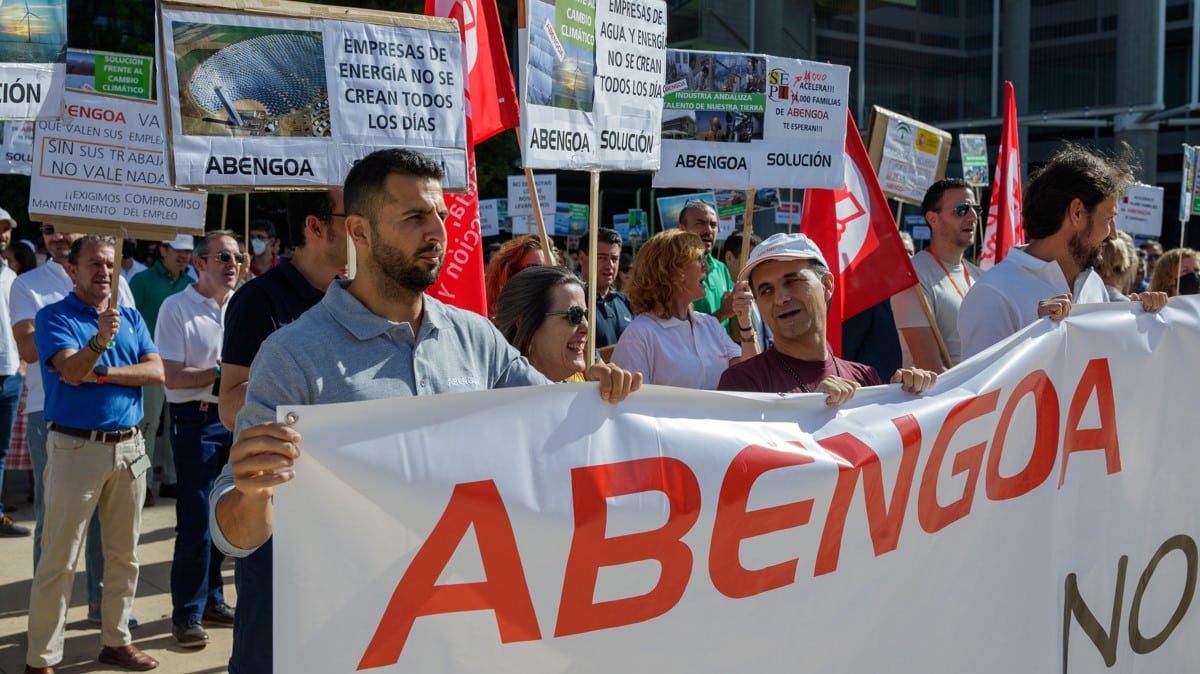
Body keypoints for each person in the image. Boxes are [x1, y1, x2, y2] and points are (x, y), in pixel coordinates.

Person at [209, 149, 638, 674]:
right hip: (346, 642)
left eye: (440, 215)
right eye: (415, 217)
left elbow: (550, 421)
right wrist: (254, 493)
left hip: (453, 633)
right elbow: (236, 530)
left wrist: (596, 394)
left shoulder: (475, 338)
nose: (438, 232)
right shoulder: (293, 354)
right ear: (360, 233)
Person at [25, 235, 163, 673]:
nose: (104, 272)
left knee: (125, 555)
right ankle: (42, 658)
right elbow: (69, 370)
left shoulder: (133, 318)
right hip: (74, 449)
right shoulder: (54, 316)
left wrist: (102, 373)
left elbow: (156, 372)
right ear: (72, 269)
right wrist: (99, 342)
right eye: (94, 264)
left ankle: (116, 640)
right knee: (59, 559)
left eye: (109, 264)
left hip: (128, 447)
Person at [10, 224, 136, 625]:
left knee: (112, 533)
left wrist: (98, 368)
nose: (57, 235)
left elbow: (142, 351)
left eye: (65, 227)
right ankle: (50, 619)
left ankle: (105, 610)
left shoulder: (115, 283)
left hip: (116, 423)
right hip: (52, 413)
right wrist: (83, 338)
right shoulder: (27, 284)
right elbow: (30, 347)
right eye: (49, 229)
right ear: (72, 270)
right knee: (55, 526)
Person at [958, 143, 1168, 358]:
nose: (1113, 234)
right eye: (1109, 219)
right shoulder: (993, 294)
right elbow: (983, 389)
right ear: (1077, 212)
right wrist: (1037, 338)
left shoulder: (1093, 284)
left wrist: (1141, 323)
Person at [718, 233, 936, 402]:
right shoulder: (742, 384)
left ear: (826, 286)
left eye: (792, 281)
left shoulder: (866, 378)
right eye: (766, 291)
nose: (780, 298)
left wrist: (907, 397)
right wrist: (812, 410)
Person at [155, 231, 241, 649]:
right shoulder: (176, 308)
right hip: (196, 421)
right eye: (224, 256)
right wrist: (224, 373)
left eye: (238, 258)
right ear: (200, 263)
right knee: (196, 522)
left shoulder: (244, 304)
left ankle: (212, 600)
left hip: (236, 421)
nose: (234, 264)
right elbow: (172, 377)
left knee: (229, 516)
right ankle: (186, 614)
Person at [218, 190, 347, 431]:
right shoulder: (257, 299)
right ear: (316, 226)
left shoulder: (353, 298)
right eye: (351, 217)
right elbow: (230, 408)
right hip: (284, 463)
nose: (362, 228)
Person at [611, 229, 758, 389]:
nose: (707, 266)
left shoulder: (710, 326)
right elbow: (632, 406)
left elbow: (751, 375)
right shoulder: (639, 334)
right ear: (671, 269)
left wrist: (745, 322)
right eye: (699, 259)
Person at [890, 179, 983, 371]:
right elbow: (929, 366)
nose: (973, 217)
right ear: (933, 219)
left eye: (976, 209)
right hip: (949, 398)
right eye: (961, 209)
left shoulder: (980, 276)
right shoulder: (913, 276)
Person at [130, 234, 194, 505]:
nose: (184, 256)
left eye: (188, 251)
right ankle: (140, 484)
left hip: (182, 366)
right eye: (178, 250)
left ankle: (170, 479)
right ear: (163, 249)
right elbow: (129, 322)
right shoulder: (142, 280)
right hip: (149, 366)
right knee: (146, 427)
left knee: (175, 425)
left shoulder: (191, 284)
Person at [495, 266, 602, 382]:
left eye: (586, 315)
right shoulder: (491, 397)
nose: (586, 328)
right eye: (574, 315)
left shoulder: (590, 390)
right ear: (527, 327)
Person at [0, 209, 25, 537]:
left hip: (10, 374)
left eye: (6, 229)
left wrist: (20, 364)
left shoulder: (12, 276)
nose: (3, 235)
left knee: (1, 451)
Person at [677, 201, 736, 329]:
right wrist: (722, 313)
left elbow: (731, 329)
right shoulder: (674, 270)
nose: (708, 230)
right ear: (682, 229)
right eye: (700, 223)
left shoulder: (721, 268)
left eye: (713, 225)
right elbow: (679, 330)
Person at [575, 227, 632, 356]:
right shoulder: (571, 302)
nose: (610, 265)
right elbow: (573, 354)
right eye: (602, 258)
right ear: (582, 258)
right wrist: (626, 348)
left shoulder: (625, 301)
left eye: (614, 258)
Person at [484, 234, 554, 318]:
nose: (550, 276)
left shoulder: (564, 323)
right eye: (535, 269)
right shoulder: (490, 328)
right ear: (509, 276)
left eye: (556, 269)